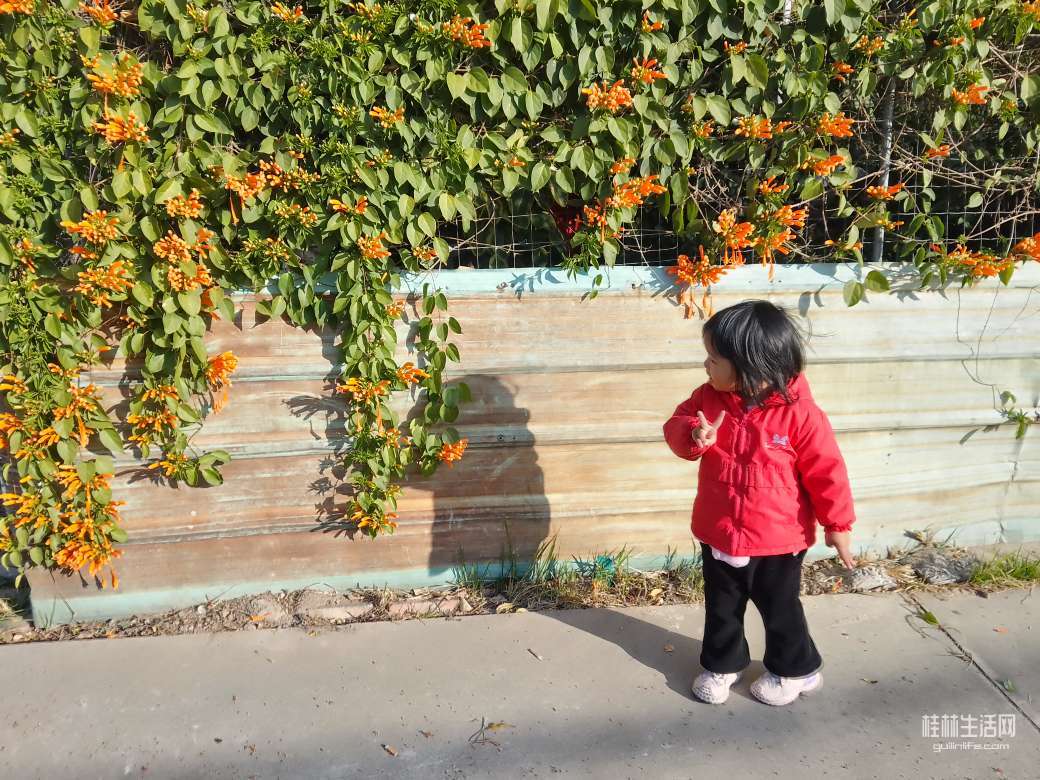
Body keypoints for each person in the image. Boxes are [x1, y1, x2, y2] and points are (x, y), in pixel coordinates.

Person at [662, 299, 856, 706]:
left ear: (750, 367)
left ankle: (795, 670)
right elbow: (676, 425)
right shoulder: (707, 399)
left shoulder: (801, 415)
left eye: (714, 359)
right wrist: (694, 433)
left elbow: (827, 472)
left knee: (780, 608)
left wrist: (837, 525)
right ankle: (723, 664)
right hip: (719, 530)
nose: (705, 365)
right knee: (721, 606)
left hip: (778, 540)